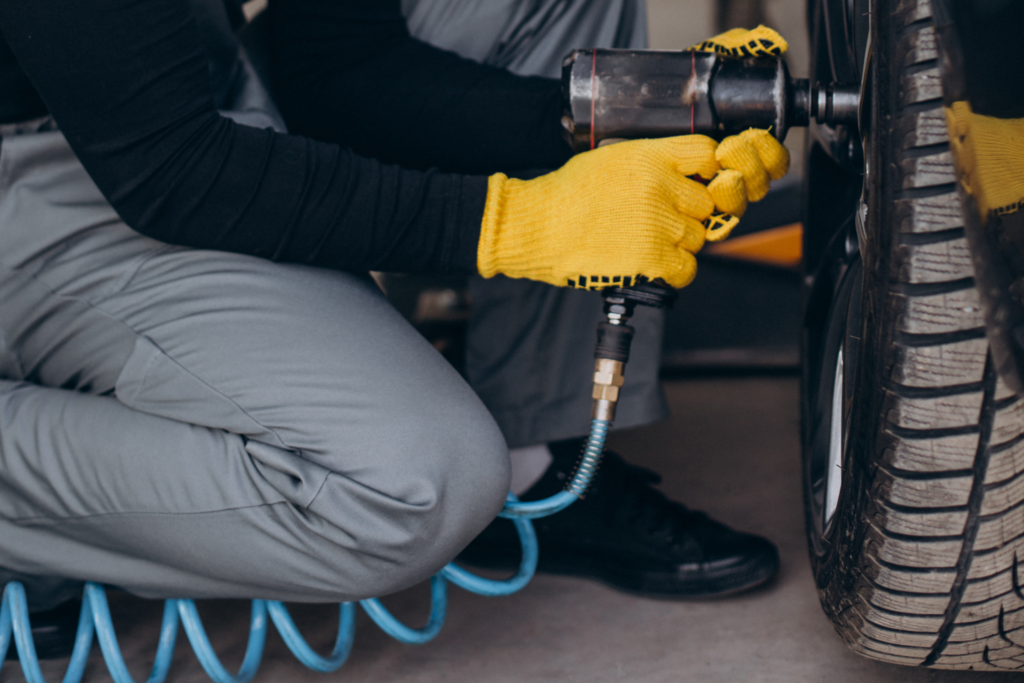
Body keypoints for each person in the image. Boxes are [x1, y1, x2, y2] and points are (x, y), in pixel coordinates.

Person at [0, 0, 788, 643]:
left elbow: (337, 56)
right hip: (77, 161)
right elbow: (173, 169)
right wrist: (515, 222)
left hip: (181, 90)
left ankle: (533, 456)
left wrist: (621, 115)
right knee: (416, 486)